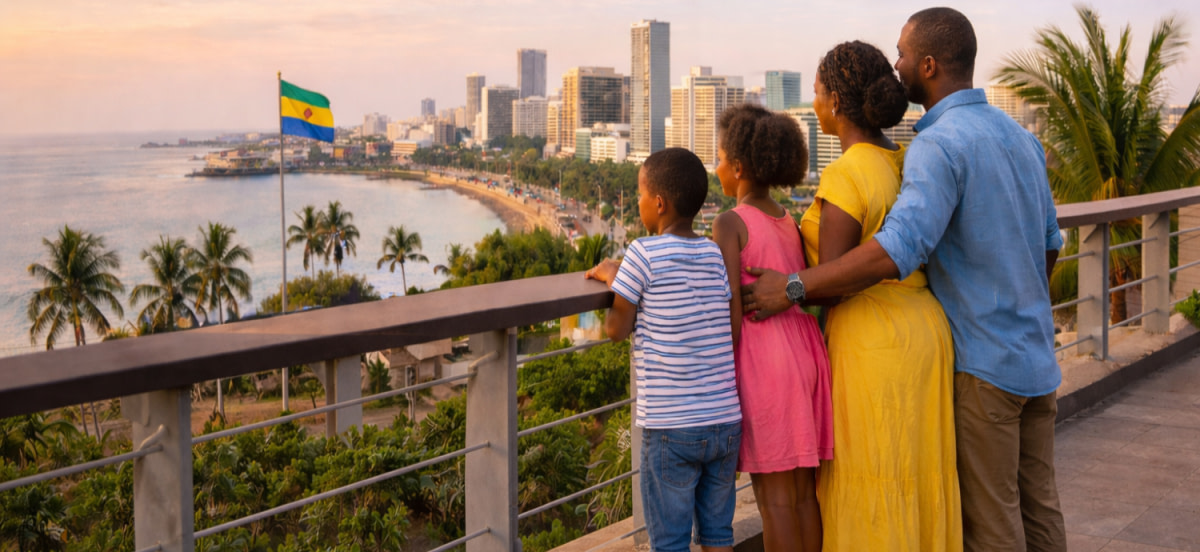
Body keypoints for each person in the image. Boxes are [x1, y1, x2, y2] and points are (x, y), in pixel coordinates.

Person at [741, 8, 1066, 551]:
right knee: (1040, 510)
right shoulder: (1018, 137)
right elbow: (1051, 246)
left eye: (903, 54)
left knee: (992, 524)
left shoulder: (938, 146)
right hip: (1035, 358)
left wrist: (792, 286)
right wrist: (1016, 299)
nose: (897, 66)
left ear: (930, 65)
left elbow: (897, 249)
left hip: (982, 365)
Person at [801, 40, 961, 551]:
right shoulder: (910, 158)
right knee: (916, 473)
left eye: (818, 92)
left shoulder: (848, 171)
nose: (814, 103)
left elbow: (832, 282)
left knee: (871, 476)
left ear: (837, 104)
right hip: (926, 330)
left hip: (873, 341)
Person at [586, 147, 742, 552]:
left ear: (658, 203)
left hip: (672, 427)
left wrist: (614, 278)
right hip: (724, 421)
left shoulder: (641, 253)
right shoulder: (712, 253)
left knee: (670, 543)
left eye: (639, 195)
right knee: (718, 535)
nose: (637, 202)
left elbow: (616, 329)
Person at [711, 104, 833, 552]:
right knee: (802, 494)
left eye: (720, 157)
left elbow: (729, 316)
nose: (716, 167)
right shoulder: (787, 220)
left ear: (739, 167)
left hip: (766, 367)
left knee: (774, 500)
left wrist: (722, 387)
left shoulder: (729, 223)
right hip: (804, 358)